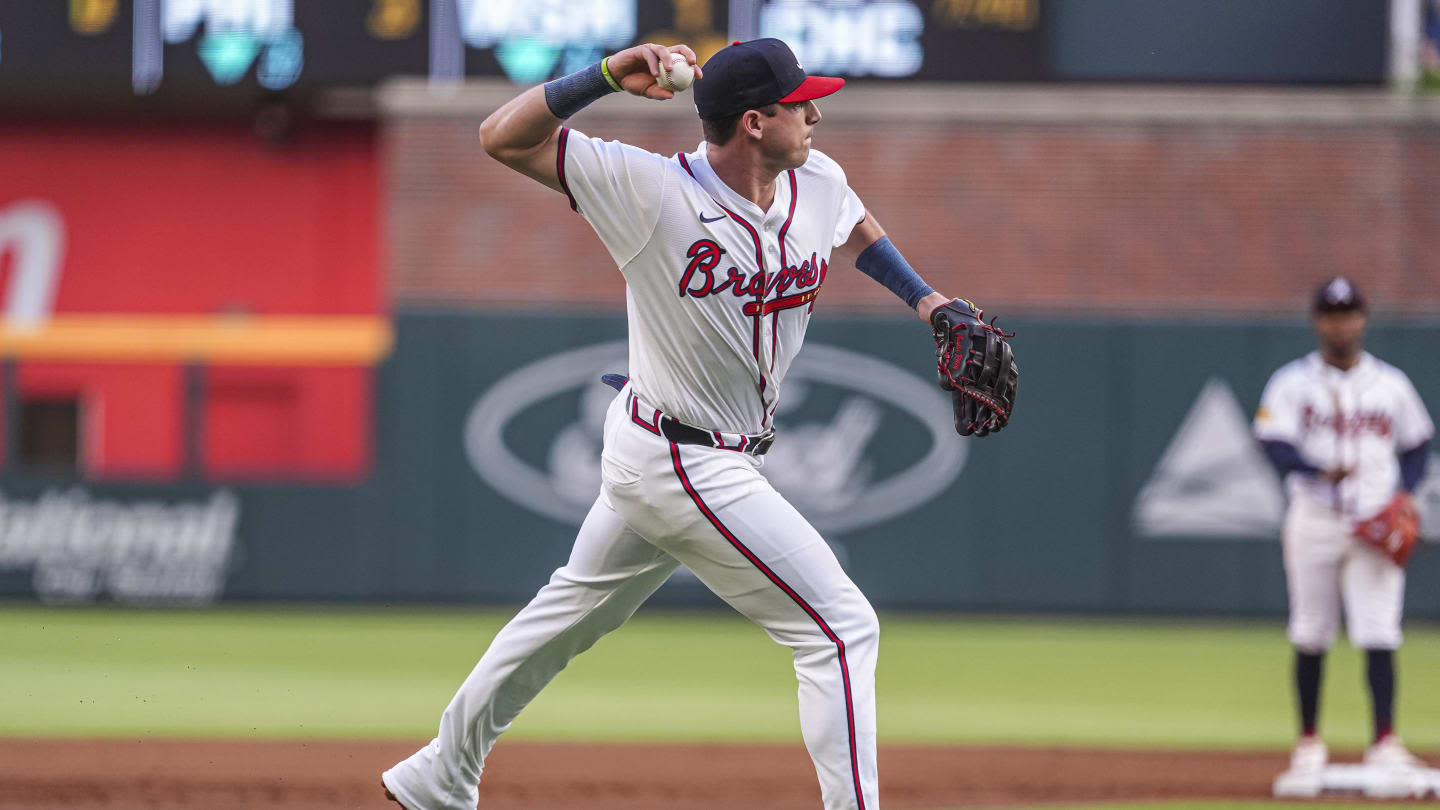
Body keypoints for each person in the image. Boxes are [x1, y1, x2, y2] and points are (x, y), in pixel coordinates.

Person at [381, 39, 971, 810]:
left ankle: (438, 772)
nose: (817, 113)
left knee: (567, 616)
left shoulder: (813, 178)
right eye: (801, 103)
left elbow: (853, 223)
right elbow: (501, 136)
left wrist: (928, 301)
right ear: (755, 123)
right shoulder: (648, 189)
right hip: (680, 458)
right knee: (838, 629)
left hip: (695, 453)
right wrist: (599, 79)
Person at [1255, 277, 1434, 799]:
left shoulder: (1391, 384)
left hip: (1375, 522)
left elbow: (1418, 444)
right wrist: (1315, 468)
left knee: (1380, 631)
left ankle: (1384, 740)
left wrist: (1402, 495)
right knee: (1311, 631)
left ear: (1362, 319)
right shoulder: (1291, 382)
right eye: (1332, 315)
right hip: (1314, 519)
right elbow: (1272, 441)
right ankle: (1309, 744)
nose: (1341, 323)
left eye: (1349, 313)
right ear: (1319, 321)